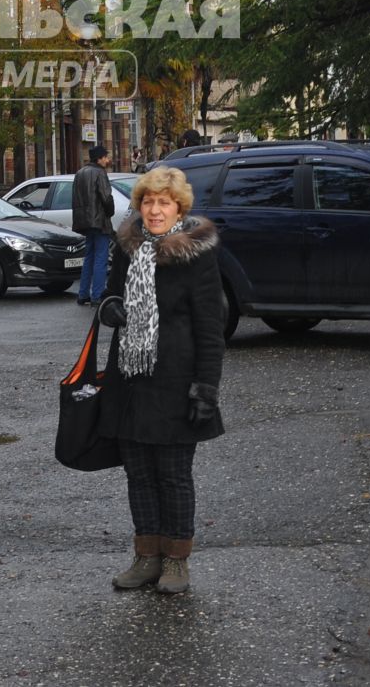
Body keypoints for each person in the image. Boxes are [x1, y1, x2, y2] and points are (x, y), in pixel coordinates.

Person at [95, 165, 226, 595]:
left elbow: (211, 327)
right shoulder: (127, 246)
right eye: (148, 202)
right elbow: (110, 294)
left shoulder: (197, 255)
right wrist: (111, 308)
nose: (154, 210)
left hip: (176, 379)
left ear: (179, 208)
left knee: (173, 475)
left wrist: (206, 387)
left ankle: (175, 561)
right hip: (130, 378)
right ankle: (146, 556)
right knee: (139, 474)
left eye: (163, 203)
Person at [72, 145, 115, 307]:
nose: (107, 159)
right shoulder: (99, 173)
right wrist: (110, 212)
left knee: (89, 257)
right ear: (99, 158)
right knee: (101, 258)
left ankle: (83, 294)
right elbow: (106, 198)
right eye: (105, 157)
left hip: (84, 221)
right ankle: (97, 294)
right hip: (99, 221)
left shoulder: (80, 173)